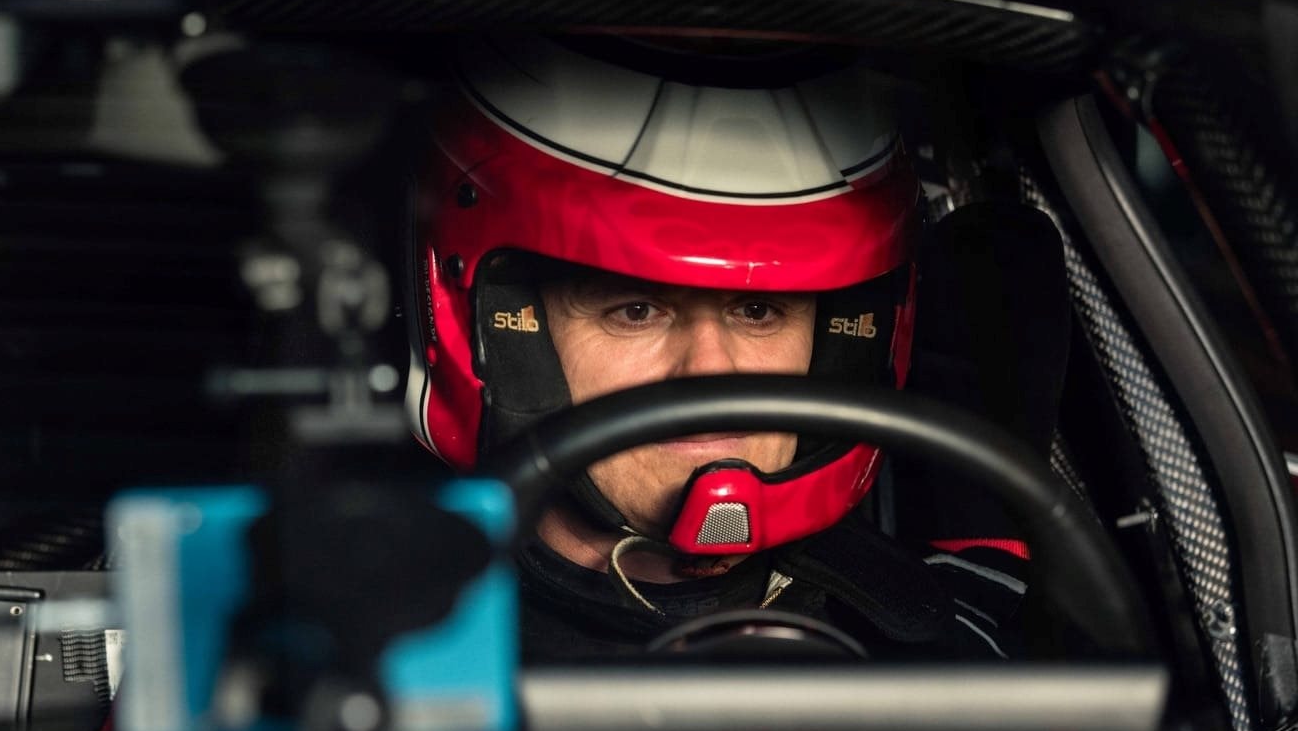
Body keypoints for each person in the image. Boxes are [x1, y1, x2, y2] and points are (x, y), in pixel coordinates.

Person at [404, 35, 1024, 660]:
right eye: (635, 310)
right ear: (510, 339)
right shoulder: (395, 652)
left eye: (758, 311)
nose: (710, 371)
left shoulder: (941, 650)